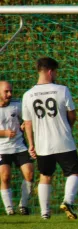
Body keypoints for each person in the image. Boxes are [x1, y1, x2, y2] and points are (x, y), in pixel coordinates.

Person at [22, 57, 78, 220]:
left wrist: (31, 145)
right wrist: (68, 128)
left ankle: (45, 213)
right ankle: (68, 201)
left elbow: (27, 123)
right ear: (50, 71)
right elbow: (72, 114)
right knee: (74, 172)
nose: (56, 75)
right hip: (63, 140)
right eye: (55, 72)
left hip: (42, 144)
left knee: (45, 175)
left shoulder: (28, 95)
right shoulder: (62, 90)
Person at [0, 81, 34, 215]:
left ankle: (23, 206)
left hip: (19, 145)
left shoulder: (16, 105)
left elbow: (27, 119)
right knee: (5, 177)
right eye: (6, 91)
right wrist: (4, 133)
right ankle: (9, 209)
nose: (10, 94)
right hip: (2, 148)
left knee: (29, 174)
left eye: (10, 91)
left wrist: (25, 124)